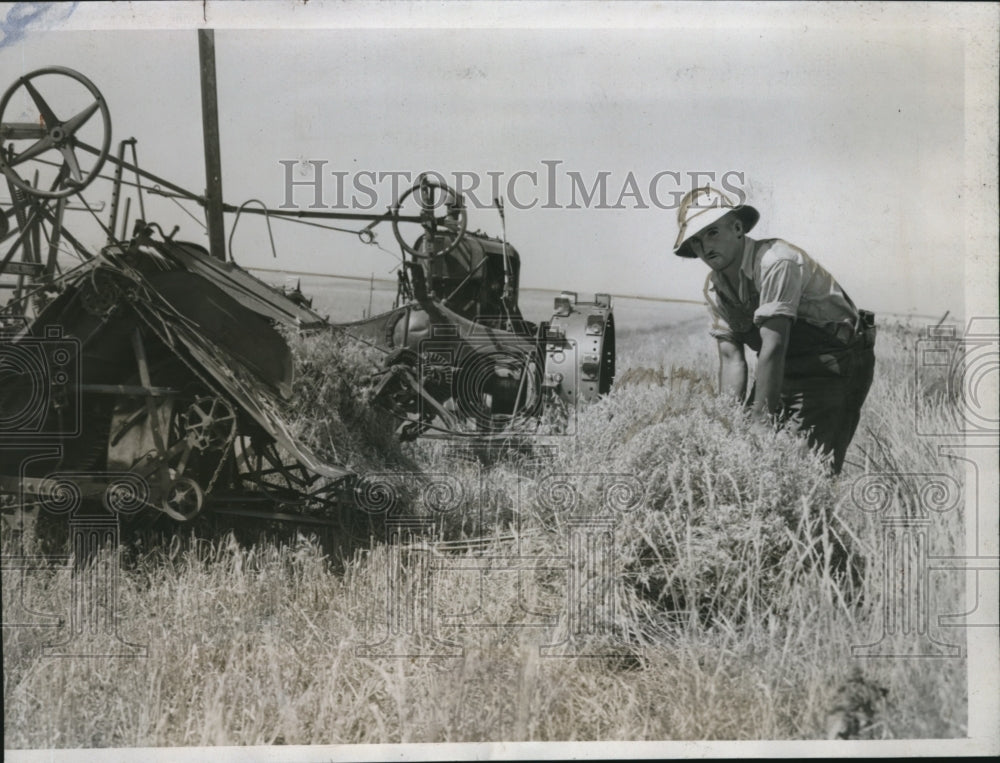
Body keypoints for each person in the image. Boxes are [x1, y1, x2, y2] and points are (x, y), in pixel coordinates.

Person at [673, 186, 876, 474]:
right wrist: (728, 423)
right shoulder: (716, 287)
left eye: (712, 232)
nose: (705, 246)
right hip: (784, 366)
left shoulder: (776, 261)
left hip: (833, 364)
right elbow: (732, 359)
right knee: (751, 463)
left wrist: (759, 421)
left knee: (804, 472)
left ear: (738, 227)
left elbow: (774, 345)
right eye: (695, 241)